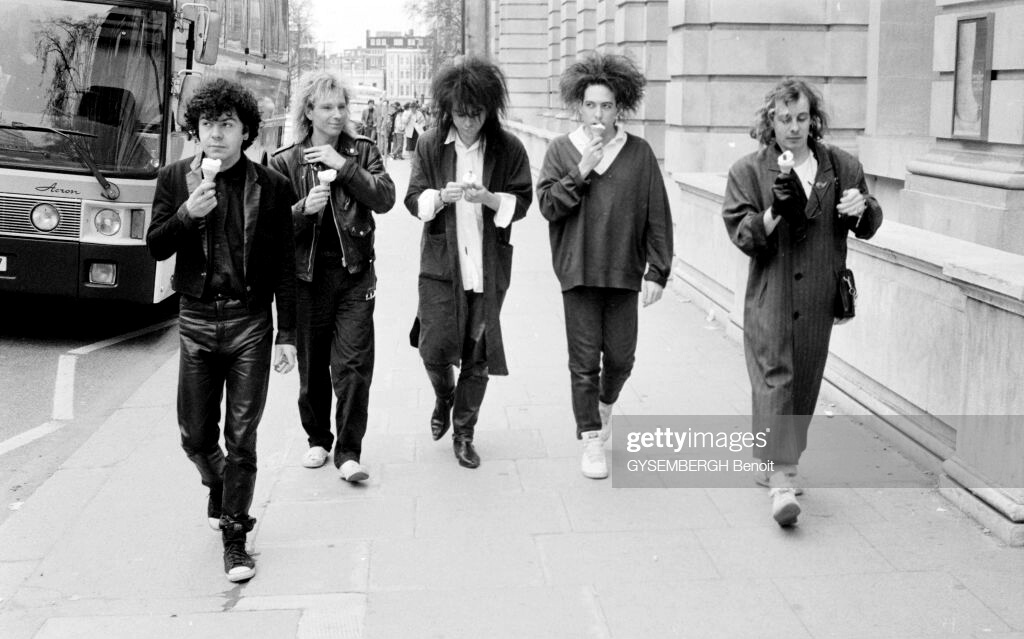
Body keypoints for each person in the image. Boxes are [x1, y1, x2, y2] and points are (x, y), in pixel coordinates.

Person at [146, 78, 297, 582]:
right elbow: (156, 246)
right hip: (194, 320)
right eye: (208, 124)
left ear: (245, 131)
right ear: (196, 129)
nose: (216, 134)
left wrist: (288, 335)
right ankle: (221, 486)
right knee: (194, 437)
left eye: (227, 125)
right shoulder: (175, 178)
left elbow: (284, 266)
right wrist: (187, 214)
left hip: (249, 322)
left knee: (242, 437)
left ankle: (236, 536)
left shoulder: (271, 186)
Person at [722, 77, 882, 527]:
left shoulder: (842, 166)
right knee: (776, 378)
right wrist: (773, 211)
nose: (793, 127)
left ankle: (780, 463)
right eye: (783, 118)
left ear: (814, 120)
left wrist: (862, 208)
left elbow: (870, 222)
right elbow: (742, 233)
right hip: (771, 293)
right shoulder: (748, 171)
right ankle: (782, 480)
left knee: (806, 381)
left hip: (817, 297)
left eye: (801, 118)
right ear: (769, 121)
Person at [536, 52, 673, 480]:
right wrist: (581, 170)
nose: (598, 114)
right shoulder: (562, 150)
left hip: (623, 272)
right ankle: (591, 438)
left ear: (619, 109)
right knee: (583, 363)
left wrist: (657, 271)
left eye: (607, 106)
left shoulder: (639, 153)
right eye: (591, 105)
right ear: (579, 107)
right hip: (577, 271)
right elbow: (548, 206)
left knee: (620, 359)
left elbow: (657, 214)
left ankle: (605, 403)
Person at [404, 55, 533, 468]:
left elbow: (523, 200)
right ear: (449, 110)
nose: (469, 122)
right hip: (441, 266)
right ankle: (445, 395)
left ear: (489, 109)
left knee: (478, 354)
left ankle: (464, 433)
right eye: (461, 114)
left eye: (477, 113)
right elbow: (413, 199)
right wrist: (441, 197)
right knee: (433, 349)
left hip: (486, 267)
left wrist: (490, 199)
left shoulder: (508, 148)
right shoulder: (430, 144)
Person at [269, 71, 395, 482]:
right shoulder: (286, 161)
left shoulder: (362, 151)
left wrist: (344, 166)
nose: (337, 114)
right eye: (327, 107)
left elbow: (385, 198)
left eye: (342, 106)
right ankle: (318, 439)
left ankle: (349, 452)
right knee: (313, 368)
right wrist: (302, 210)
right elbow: (269, 230)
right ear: (308, 111)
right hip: (307, 280)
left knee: (354, 366)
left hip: (355, 275)